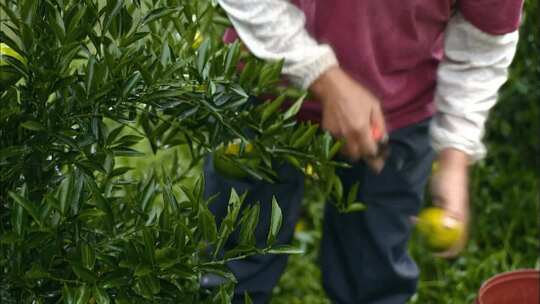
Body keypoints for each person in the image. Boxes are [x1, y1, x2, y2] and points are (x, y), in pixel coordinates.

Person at [203, 1, 523, 303]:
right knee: (234, 261)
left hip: (395, 113)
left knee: (373, 272)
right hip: (264, 79)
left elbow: (484, 38)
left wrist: (455, 155)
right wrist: (323, 77)